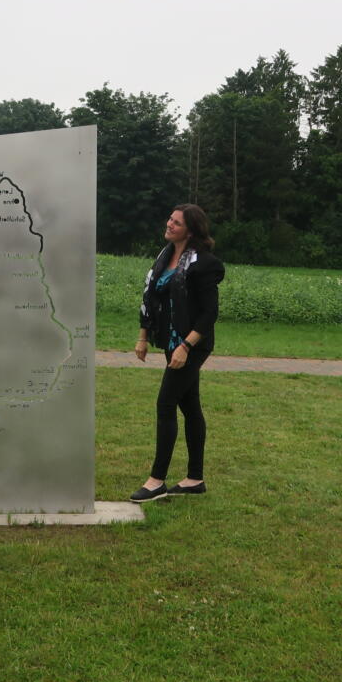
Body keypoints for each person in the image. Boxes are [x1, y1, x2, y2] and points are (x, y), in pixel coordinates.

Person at [131, 204, 225, 502]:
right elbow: (150, 296)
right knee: (190, 406)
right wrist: (143, 336)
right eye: (169, 219)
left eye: (176, 222)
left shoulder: (204, 263)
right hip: (171, 342)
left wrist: (186, 347)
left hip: (193, 345)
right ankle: (194, 478)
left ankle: (156, 481)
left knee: (165, 402)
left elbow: (210, 313)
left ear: (191, 230)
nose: (169, 225)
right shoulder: (165, 255)